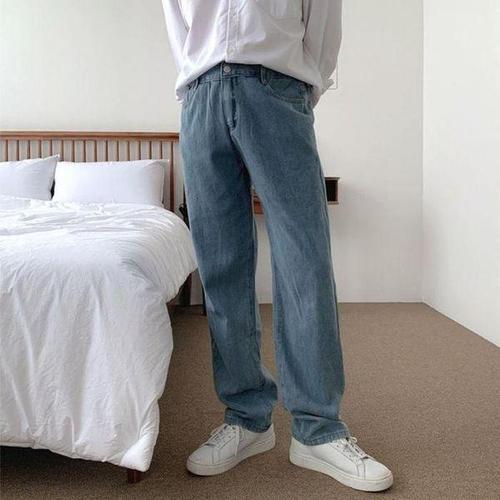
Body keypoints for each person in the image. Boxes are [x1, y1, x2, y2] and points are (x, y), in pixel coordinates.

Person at [162, 0, 393, 492]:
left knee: (305, 263)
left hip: (277, 87)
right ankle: (246, 417)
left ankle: (317, 428)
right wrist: (196, 79)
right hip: (201, 96)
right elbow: (179, 26)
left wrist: (296, 88)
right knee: (220, 268)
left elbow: (323, 27)